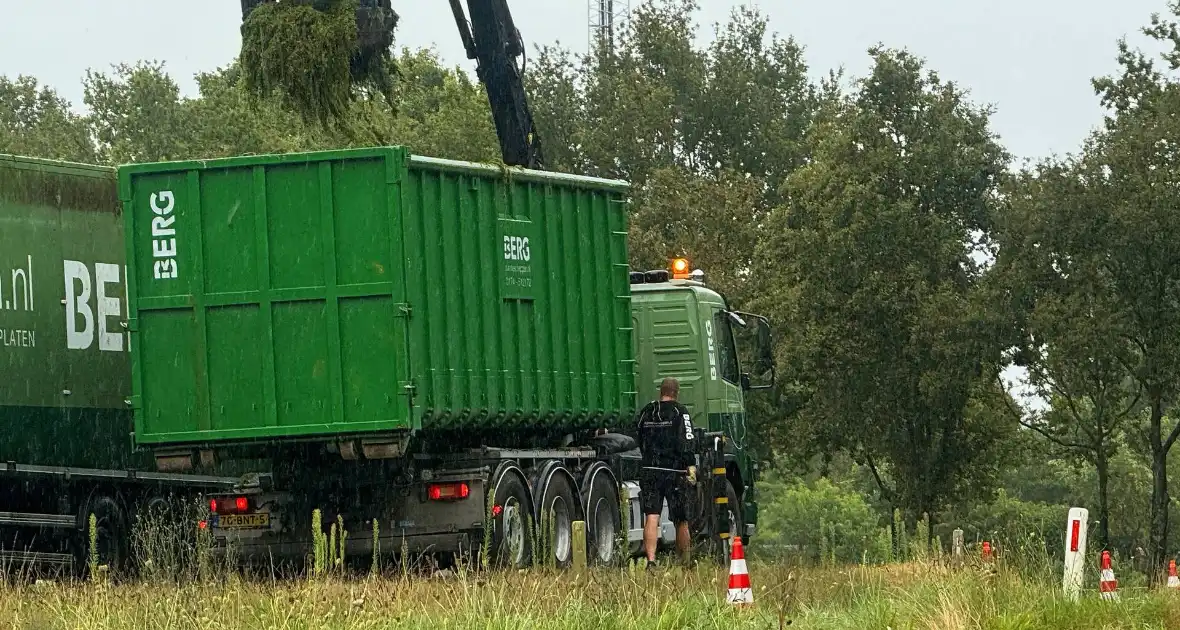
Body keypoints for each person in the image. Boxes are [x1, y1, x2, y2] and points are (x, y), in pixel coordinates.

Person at [635, 377, 697, 568]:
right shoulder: (681, 412)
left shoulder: (647, 411)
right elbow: (688, 439)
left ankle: (651, 561)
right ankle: (684, 561)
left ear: (660, 392)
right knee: (681, 519)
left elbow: (636, 435)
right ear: (676, 393)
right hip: (674, 471)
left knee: (652, 516)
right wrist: (690, 465)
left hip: (650, 470)